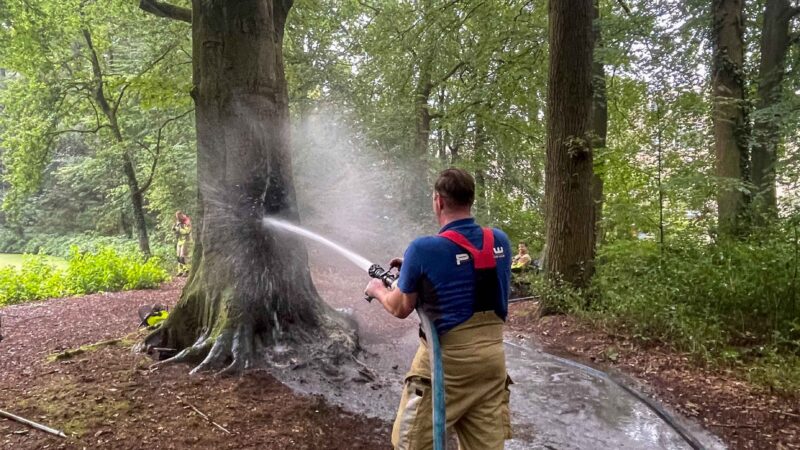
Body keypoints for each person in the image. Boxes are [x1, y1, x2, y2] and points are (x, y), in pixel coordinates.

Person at [365, 168, 513, 450]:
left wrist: (378, 289)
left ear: (438, 202)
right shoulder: (500, 241)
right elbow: (471, 275)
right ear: (470, 200)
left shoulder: (423, 249)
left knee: (410, 443)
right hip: (492, 366)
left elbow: (399, 307)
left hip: (446, 367)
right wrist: (412, 269)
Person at [172, 211, 192, 276]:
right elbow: (176, 231)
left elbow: (187, 231)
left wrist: (178, 229)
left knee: (182, 256)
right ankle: (180, 271)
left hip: (186, 240)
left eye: (179, 217)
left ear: (181, 215)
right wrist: (174, 229)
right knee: (178, 256)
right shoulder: (178, 221)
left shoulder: (187, 221)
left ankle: (186, 270)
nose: (178, 218)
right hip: (179, 240)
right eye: (177, 217)